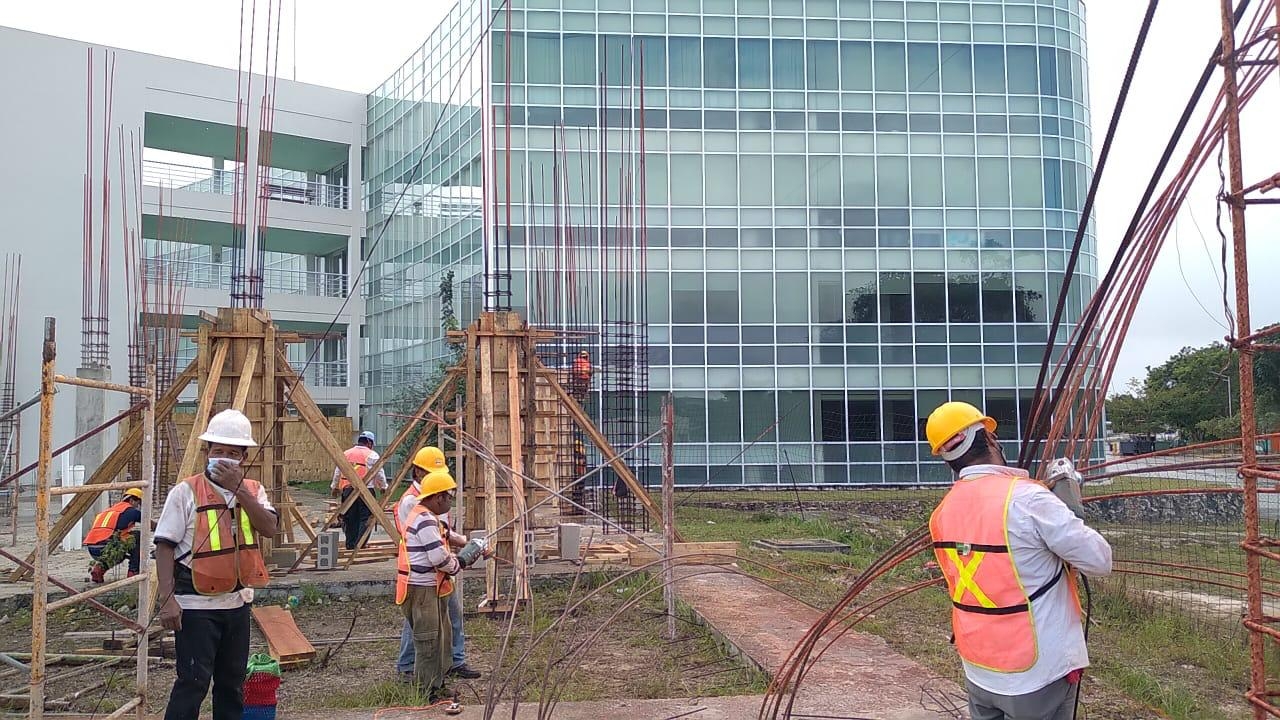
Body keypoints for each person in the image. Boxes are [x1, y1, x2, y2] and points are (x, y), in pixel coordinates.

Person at [925, 401, 1113, 720]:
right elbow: (1099, 560)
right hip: (1036, 671)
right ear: (990, 440)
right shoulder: (1027, 498)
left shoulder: (943, 512)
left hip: (978, 666)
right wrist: (1067, 505)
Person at [154, 409, 278, 720]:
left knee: (232, 685)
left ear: (244, 456)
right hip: (195, 606)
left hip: (236, 605)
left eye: (232, 453)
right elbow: (164, 546)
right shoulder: (185, 492)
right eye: (218, 450)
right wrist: (167, 600)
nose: (223, 458)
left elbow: (269, 527)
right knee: (192, 683)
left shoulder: (254, 491)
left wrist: (239, 491)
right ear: (207, 452)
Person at [394, 448, 481, 683]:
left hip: (436, 577)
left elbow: (442, 533)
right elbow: (434, 549)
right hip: (424, 579)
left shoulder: (430, 503)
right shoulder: (413, 503)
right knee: (425, 631)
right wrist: (459, 561)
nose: (449, 500)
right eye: (447, 496)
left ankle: (452, 663)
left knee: (447, 620)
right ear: (418, 471)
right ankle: (414, 673)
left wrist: (465, 542)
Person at [331, 430, 387, 550]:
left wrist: (334, 487)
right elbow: (379, 473)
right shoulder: (372, 455)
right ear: (369, 442)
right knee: (365, 518)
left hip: (348, 490)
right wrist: (383, 487)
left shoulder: (346, 453)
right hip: (366, 491)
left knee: (349, 518)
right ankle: (360, 545)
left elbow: (337, 472)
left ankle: (350, 544)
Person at [85, 487, 143, 583]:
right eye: (138, 503)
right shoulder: (131, 511)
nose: (138, 506)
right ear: (132, 500)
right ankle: (133, 571)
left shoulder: (109, 511)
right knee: (136, 536)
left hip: (92, 549)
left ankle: (99, 569)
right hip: (105, 546)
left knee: (119, 552)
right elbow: (150, 524)